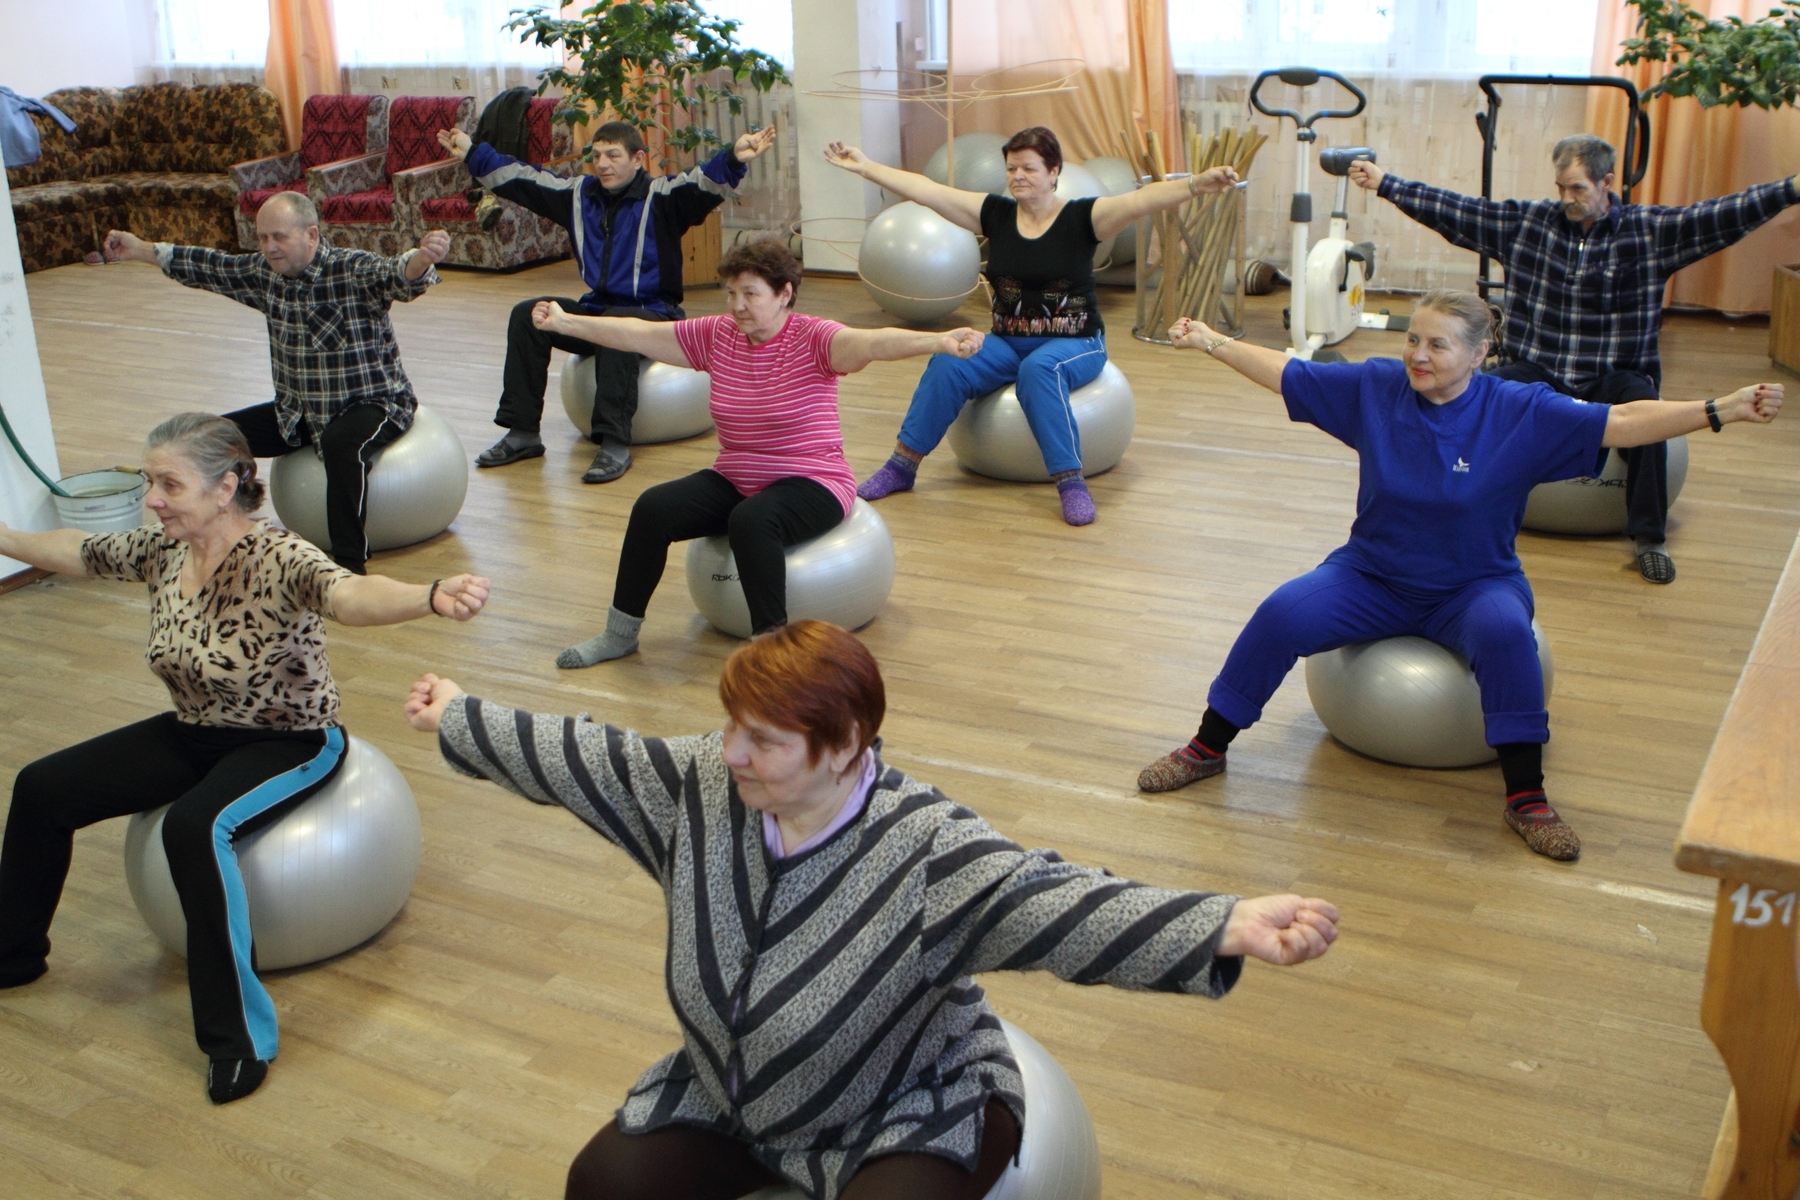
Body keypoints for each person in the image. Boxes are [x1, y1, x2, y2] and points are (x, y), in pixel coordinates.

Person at [402, 619, 1340, 1200]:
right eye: (730, 726)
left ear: (846, 744)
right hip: (737, 1094)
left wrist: (1222, 923)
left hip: (908, 1099)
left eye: (761, 740)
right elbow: (584, 757)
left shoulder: (928, 849)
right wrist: (460, 715)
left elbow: (1059, 901)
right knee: (600, 1185)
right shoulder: (700, 785)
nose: (730, 752)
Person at [1135, 291, 1783, 861]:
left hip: (1475, 584)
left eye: (1437, 345)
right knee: (1281, 612)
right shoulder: (1379, 389)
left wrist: (1719, 408)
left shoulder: (1517, 410)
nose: (1418, 355)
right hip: (1373, 574)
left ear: (1479, 353)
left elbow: (1621, 422)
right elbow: (1290, 374)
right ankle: (1206, 748)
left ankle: (1526, 799)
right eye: (1413, 339)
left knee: (1507, 636)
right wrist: (1214, 342)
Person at [0, 414, 490, 1104]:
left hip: (289, 740)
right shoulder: (163, 550)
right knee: (43, 787)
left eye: (169, 484)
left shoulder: (279, 556)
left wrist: (429, 596)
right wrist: (7, 538)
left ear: (227, 485)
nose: (152, 499)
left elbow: (347, 594)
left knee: (195, 827)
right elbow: (80, 550)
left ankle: (240, 1042)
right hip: (194, 728)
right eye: (150, 482)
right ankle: (12, 955)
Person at [1350, 136, 1800, 583]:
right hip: (1538, 366)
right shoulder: (1528, 225)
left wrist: (1791, 189)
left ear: (1606, 182)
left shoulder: (1650, 232)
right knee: (1475, 400)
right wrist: (1387, 183)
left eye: (1578, 189)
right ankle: (1457, 509)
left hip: (1613, 373)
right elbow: (1455, 210)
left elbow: (1726, 214)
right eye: (1561, 187)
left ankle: (1649, 538)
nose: (1567, 198)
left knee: (1647, 414)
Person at [536, 238, 983, 669]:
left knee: (751, 521)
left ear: (785, 293)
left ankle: (773, 651)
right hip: (737, 474)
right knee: (652, 508)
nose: (737, 305)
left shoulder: (814, 338)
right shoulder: (717, 335)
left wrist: (937, 342)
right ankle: (620, 634)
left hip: (813, 480)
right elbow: (638, 333)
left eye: (751, 293)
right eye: (731, 293)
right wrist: (566, 323)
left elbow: (872, 343)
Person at [825, 126, 1240, 525]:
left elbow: (1143, 200)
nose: (1017, 176)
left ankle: (1070, 482)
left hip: (1077, 341)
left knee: (1040, 369)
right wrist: (867, 166)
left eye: (1029, 168)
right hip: (1008, 340)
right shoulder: (996, 215)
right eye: (1011, 168)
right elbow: (928, 190)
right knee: (949, 361)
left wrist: (1197, 184)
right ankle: (902, 465)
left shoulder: (1084, 217)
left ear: (1054, 172)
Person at [102, 193, 450, 575]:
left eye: (279, 237)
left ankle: (349, 568)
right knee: (209, 439)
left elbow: (397, 275)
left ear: (312, 235)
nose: (269, 247)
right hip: (297, 411)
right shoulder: (264, 274)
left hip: (373, 404)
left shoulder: (350, 269)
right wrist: (140, 249)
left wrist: (421, 259)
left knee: (340, 444)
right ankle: (215, 538)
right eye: (263, 237)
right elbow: (208, 265)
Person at [438, 120, 779, 482]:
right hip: (596, 311)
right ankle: (523, 432)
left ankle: (615, 441)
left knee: (618, 323)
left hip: (653, 315)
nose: (602, 164)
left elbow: (704, 182)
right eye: (597, 155)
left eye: (613, 155)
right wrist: (473, 152)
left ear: (637, 159)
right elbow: (523, 180)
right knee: (528, 315)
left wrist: (734, 158)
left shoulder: (663, 196)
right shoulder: (577, 194)